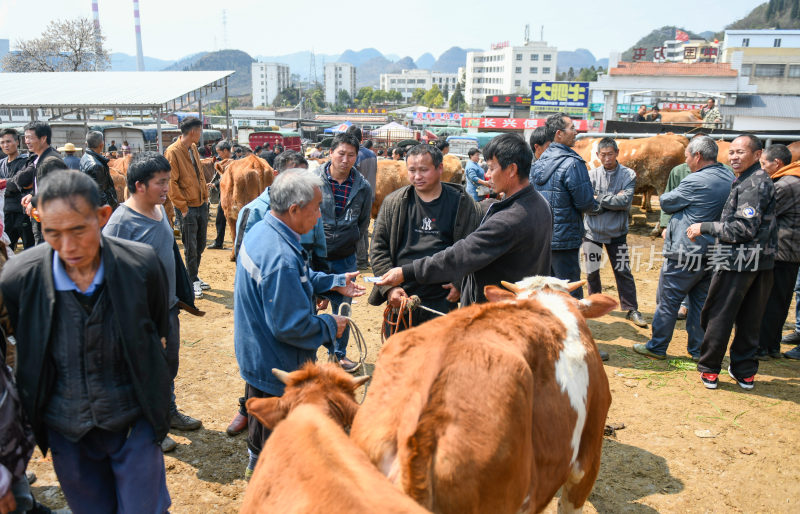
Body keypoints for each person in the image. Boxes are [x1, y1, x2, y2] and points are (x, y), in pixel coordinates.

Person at [0, 171, 172, 513]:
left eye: (79, 230)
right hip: (66, 429)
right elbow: (26, 340)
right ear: (39, 222)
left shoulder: (140, 265)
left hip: (133, 421)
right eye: (52, 233)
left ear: (103, 216)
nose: (68, 247)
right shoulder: (19, 278)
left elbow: (155, 330)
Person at [234, 169, 364, 477]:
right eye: (317, 207)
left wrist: (333, 282)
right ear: (294, 209)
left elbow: (298, 277)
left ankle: (259, 465)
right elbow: (290, 327)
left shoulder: (267, 231)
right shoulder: (280, 255)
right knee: (277, 440)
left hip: (259, 354)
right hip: (277, 363)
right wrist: (331, 325)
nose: (320, 216)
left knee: (261, 428)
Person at [103, 151, 204, 453]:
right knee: (146, 370)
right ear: (139, 186)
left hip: (167, 308)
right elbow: (108, 272)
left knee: (168, 364)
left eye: (167, 181)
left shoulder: (160, 210)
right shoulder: (120, 223)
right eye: (160, 183)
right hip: (141, 316)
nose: (166, 188)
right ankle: (149, 426)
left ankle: (167, 411)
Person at [377, 133, 552, 307]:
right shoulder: (539, 203)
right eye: (412, 170)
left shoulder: (508, 218)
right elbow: (379, 245)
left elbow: (462, 254)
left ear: (512, 169)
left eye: (491, 168)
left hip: (498, 314)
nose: (488, 175)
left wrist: (407, 272)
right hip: (521, 306)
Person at [633, 136, 735, 361]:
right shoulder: (728, 175)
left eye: (687, 156)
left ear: (697, 156)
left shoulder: (695, 181)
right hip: (713, 251)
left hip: (686, 252)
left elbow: (668, 201)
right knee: (700, 303)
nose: (686, 161)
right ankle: (698, 350)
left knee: (668, 300)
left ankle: (657, 347)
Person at [687, 135, 777, 390]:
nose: (734, 157)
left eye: (741, 152)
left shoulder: (753, 183)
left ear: (758, 155)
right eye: (732, 152)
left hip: (738, 262)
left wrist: (703, 227)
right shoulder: (752, 179)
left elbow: (742, 229)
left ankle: (710, 370)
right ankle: (744, 372)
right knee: (751, 318)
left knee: (718, 315)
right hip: (761, 262)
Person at [370, 144, 481, 336]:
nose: (417, 176)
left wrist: (459, 282)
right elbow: (378, 248)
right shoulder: (393, 203)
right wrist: (390, 288)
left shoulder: (462, 203)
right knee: (400, 358)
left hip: (442, 295)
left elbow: (472, 248)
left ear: (440, 168)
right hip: (402, 295)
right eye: (412, 170)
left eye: (424, 170)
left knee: (439, 359)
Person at [313, 133, 372, 372]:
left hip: (345, 258)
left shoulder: (362, 187)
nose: (345, 160)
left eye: (351, 155)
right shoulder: (312, 180)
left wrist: (355, 249)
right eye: (341, 153)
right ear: (330, 153)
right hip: (316, 255)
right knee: (308, 305)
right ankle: (306, 354)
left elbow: (363, 223)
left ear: (357, 157)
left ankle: (338, 354)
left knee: (343, 308)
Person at [531, 112, 598, 298]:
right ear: (559, 134)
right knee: (568, 289)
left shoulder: (538, 163)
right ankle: (572, 325)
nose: (576, 132)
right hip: (565, 238)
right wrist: (598, 203)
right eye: (572, 128)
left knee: (544, 289)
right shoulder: (573, 164)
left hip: (540, 238)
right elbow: (585, 202)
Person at [582, 137, 647, 328]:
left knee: (622, 270)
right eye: (603, 155)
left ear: (617, 153)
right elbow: (587, 203)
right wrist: (610, 201)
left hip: (617, 233)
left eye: (610, 154)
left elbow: (625, 202)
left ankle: (631, 308)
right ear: (598, 155)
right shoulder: (591, 175)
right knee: (592, 271)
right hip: (592, 232)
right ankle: (595, 304)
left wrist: (599, 199)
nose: (607, 158)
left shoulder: (628, 175)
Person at [754, 144, 800, 360]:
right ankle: (772, 346)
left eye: (764, 164)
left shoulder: (786, 185)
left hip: (780, 251)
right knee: (780, 301)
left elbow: (762, 213)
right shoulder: (794, 179)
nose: (762, 168)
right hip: (792, 252)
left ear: (777, 163)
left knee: (768, 300)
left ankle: (761, 347)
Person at [166, 117, 210, 299]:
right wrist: (183, 208)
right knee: (190, 247)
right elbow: (171, 183)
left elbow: (199, 174)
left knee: (200, 243)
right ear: (193, 131)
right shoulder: (172, 152)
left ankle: (193, 276)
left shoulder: (192, 148)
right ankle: (191, 281)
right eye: (200, 131)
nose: (201, 134)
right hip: (187, 207)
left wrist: (206, 198)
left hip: (201, 203)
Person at [13, 121, 68, 244]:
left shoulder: (51, 161)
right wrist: (32, 194)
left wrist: (34, 201)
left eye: (30, 138)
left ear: (43, 138)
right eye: (25, 137)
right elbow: (45, 186)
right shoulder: (40, 159)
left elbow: (57, 190)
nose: (26, 141)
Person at [658, 160, 693, 319]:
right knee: (677, 267)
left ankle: (686, 305)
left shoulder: (721, 172)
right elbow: (668, 194)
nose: (686, 159)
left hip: (703, 228)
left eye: (688, 155)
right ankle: (677, 304)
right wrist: (664, 225)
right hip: (679, 225)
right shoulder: (679, 171)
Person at [347, 126, 377, 270]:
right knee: (365, 226)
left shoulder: (354, 155)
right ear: (362, 138)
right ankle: (364, 258)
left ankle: (361, 260)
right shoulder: (372, 154)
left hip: (357, 193)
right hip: (370, 193)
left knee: (357, 227)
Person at [0, 128, 34, 251]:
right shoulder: (1, 163)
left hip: (23, 212)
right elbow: (16, 184)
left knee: (29, 249)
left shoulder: (25, 162)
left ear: (17, 142)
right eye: (2, 142)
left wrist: (6, 184)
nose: (5, 145)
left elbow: (24, 184)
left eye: (8, 141)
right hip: (6, 214)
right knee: (6, 248)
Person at [80, 131, 119, 210]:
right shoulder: (96, 165)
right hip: (99, 212)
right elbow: (101, 196)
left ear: (86, 143)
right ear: (101, 145)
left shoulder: (85, 157)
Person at [208, 140, 232, 250]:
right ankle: (219, 242)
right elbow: (222, 179)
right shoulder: (223, 162)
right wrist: (214, 184)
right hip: (224, 196)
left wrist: (215, 184)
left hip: (232, 195)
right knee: (220, 219)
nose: (219, 155)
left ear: (226, 150)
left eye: (220, 152)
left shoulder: (234, 163)